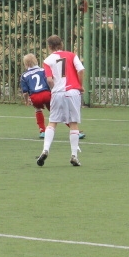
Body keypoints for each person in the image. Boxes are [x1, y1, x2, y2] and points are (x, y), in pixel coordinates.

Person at [36, 35, 84, 167]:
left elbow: (50, 79)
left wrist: (55, 89)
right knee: (73, 123)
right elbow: (81, 70)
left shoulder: (47, 60)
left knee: (52, 122)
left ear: (49, 47)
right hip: (73, 91)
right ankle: (74, 155)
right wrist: (80, 85)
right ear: (61, 44)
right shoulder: (71, 55)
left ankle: (45, 149)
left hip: (57, 93)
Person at [20, 53, 86, 140]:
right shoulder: (43, 70)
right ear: (36, 61)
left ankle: (42, 131)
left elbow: (25, 92)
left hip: (35, 96)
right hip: (47, 94)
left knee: (38, 109)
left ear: (26, 64)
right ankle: (74, 130)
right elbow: (49, 80)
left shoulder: (24, 75)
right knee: (58, 112)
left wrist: (26, 101)